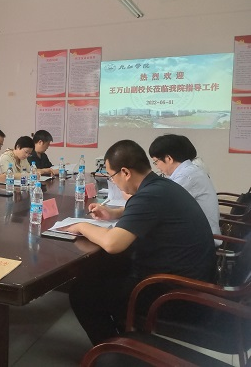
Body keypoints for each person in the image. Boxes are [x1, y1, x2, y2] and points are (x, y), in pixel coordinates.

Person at [67, 140, 216, 345]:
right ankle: (123, 335)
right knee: (102, 268)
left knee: (82, 293)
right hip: (192, 282)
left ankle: (115, 350)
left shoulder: (150, 195)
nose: (113, 182)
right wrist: (113, 213)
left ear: (125, 172)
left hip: (177, 296)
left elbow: (112, 243)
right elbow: (142, 212)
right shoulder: (160, 186)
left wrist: (81, 226)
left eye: (111, 176)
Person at [149, 134, 220, 242]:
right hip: (196, 234)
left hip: (201, 241)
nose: (157, 166)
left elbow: (159, 205)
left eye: (156, 161)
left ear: (169, 158)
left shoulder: (186, 176)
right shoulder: (188, 171)